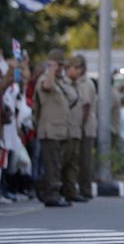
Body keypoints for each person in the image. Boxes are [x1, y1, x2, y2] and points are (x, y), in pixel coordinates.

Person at [34, 49, 73, 207]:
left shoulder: (59, 81)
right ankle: (51, 194)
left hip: (60, 131)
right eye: (59, 65)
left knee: (57, 164)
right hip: (49, 130)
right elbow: (47, 86)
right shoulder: (46, 79)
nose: (61, 69)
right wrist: (50, 68)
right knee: (52, 165)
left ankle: (48, 189)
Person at [73, 56, 97, 200]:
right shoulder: (78, 82)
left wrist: (79, 126)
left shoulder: (85, 83)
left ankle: (85, 189)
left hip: (85, 127)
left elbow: (85, 107)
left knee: (84, 160)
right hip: (81, 125)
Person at [63, 55, 87, 202]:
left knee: (73, 163)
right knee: (63, 161)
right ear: (68, 69)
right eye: (75, 68)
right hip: (65, 130)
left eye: (80, 68)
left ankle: (71, 192)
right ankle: (58, 190)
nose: (79, 71)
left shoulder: (77, 85)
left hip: (76, 129)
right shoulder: (63, 85)